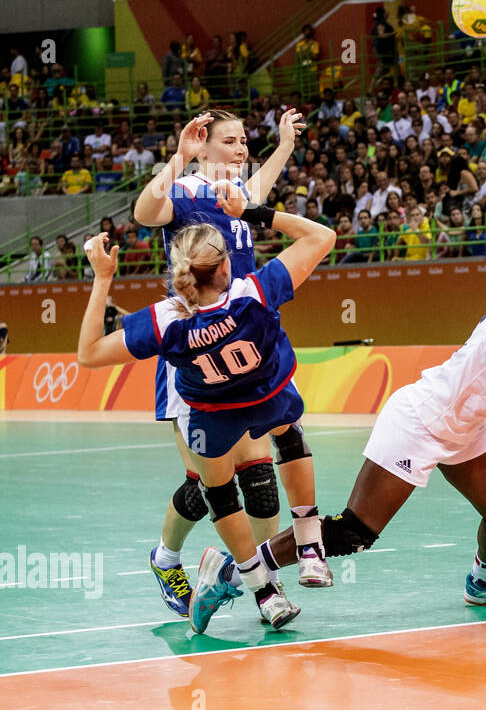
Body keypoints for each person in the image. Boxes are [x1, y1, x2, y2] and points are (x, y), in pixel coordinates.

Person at [245, 265, 486, 608]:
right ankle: (236, 571)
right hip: (419, 421)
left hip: (464, 432)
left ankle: (483, 583)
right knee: (355, 532)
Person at [75, 195, 337, 634]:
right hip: (264, 395)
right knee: (287, 435)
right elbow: (322, 236)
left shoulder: (166, 318)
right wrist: (254, 212)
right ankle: (308, 543)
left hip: (213, 413)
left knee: (223, 494)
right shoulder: (253, 292)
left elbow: (88, 354)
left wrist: (102, 279)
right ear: (225, 267)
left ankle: (262, 587)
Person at [132, 108, 329, 621]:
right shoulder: (186, 191)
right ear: (206, 145)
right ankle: (166, 558)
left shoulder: (235, 196)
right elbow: (143, 214)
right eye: (231, 141)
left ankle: (253, 579)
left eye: (246, 140)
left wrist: (284, 144)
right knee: (206, 482)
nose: (243, 149)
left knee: (260, 477)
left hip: (242, 356)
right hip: (195, 356)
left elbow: (257, 192)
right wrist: (180, 155)